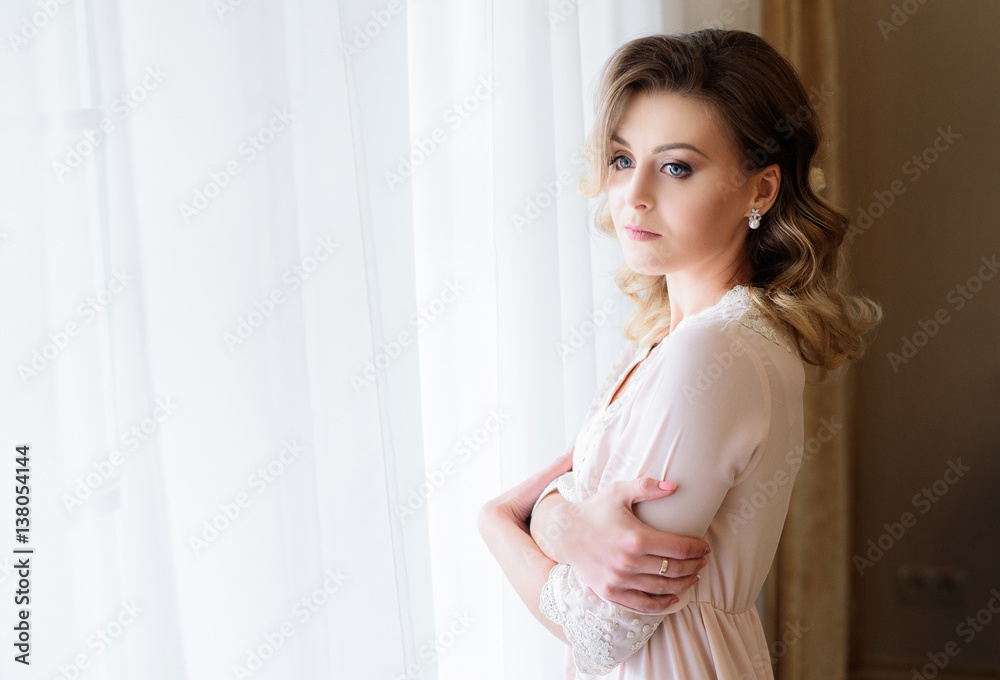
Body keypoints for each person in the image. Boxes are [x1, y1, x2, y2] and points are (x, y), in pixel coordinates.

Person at [478, 28, 882, 679]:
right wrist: (564, 524)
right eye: (620, 159)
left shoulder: (712, 353)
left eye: (675, 167)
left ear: (761, 190)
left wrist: (498, 521)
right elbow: (570, 490)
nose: (633, 193)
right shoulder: (681, 341)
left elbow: (601, 628)